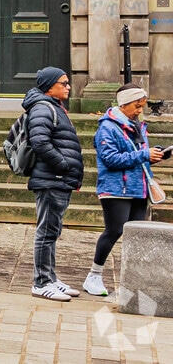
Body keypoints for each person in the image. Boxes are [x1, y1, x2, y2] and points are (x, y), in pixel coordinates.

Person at [84, 86, 164, 297]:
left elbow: (138, 157)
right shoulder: (107, 128)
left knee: (136, 235)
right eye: (137, 106)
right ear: (124, 103)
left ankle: (133, 282)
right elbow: (110, 159)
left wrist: (154, 156)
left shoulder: (138, 126)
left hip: (139, 188)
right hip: (115, 189)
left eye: (142, 106)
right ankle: (94, 275)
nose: (139, 110)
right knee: (114, 231)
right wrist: (144, 155)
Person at [23, 66, 85, 300]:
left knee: (52, 231)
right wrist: (63, 165)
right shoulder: (43, 108)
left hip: (58, 179)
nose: (68, 87)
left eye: (68, 83)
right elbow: (40, 142)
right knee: (46, 232)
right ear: (49, 86)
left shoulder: (53, 106)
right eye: (63, 83)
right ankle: (41, 283)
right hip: (51, 179)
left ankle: (50, 278)